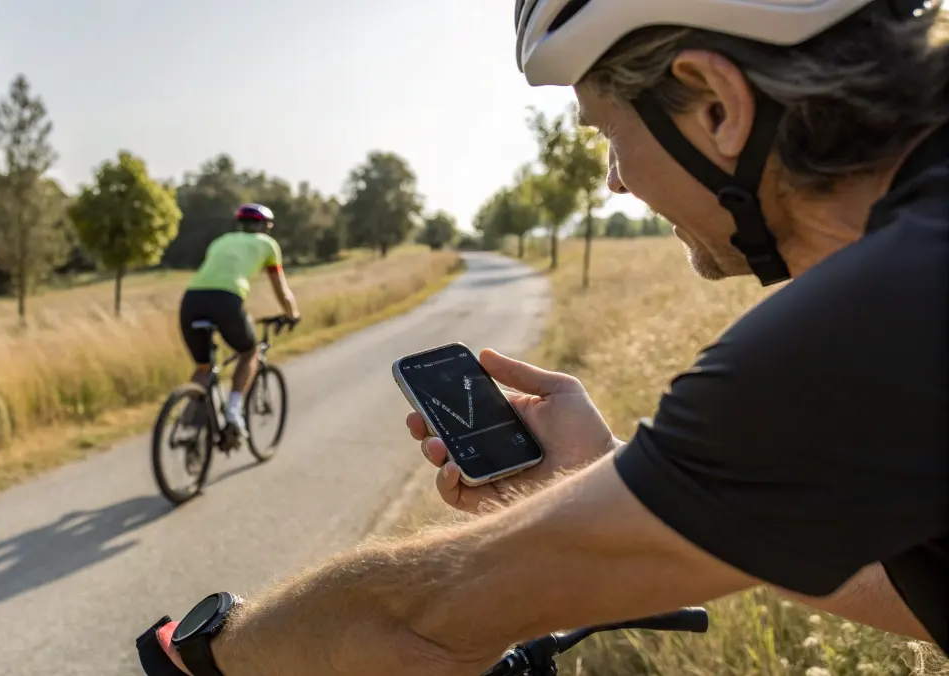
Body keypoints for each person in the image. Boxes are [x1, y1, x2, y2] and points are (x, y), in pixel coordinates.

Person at [146, 1, 946, 673]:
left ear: (714, 103)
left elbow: (418, 618)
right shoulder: (909, 281)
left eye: (606, 130)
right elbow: (925, 593)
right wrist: (607, 477)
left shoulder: (859, 328)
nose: (614, 179)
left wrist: (206, 649)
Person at [179, 204, 299, 437]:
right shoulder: (267, 244)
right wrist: (292, 313)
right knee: (249, 352)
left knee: (204, 367)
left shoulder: (221, 241)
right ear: (265, 226)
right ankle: (233, 413)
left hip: (190, 301)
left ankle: (189, 422)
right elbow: (281, 290)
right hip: (225, 300)